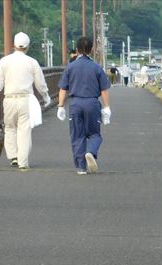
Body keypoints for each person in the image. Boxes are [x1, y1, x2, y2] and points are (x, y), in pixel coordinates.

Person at [0, 32, 51, 171]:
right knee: (24, 130)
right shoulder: (32, 62)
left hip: (9, 99)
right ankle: (23, 162)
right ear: (27, 46)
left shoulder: (4, 61)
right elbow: (40, 84)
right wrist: (46, 97)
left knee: (10, 128)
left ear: (14, 45)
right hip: (25, 100)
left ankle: (13, 157)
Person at [57, 36, 111, 175]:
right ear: (91, 50)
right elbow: (104, 90)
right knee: (94, 134)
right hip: (92, 103)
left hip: (75, 103)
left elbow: (63, 89)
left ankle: (81, 167)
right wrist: (106, 107)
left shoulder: (70, 67)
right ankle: (91, 152)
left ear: (77, 50)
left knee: (77, 135)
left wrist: (61, 106)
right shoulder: (97, 68)